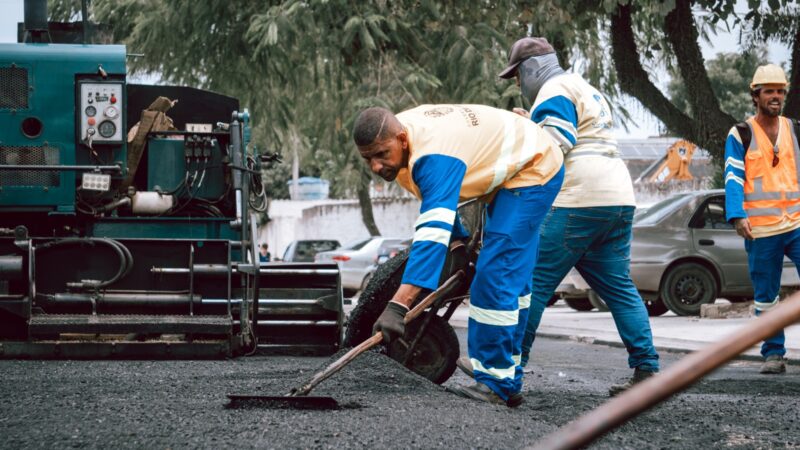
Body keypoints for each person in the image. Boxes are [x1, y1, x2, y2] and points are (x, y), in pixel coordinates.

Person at [476, 36, 660, 396]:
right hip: (618, 197)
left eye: (516, 76)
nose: (517, 84)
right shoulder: (582, 87)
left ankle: (507, 373)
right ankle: (648, 370)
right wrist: (534, 123)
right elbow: (574, 132)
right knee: (619, 287)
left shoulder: (553, 89)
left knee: (532, 283)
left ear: (531, 69)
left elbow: (557, 142)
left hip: (580, 198)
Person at [353, 104, 564, 407]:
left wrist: (398, 306)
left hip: (535, 168)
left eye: (381, 154)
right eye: (367, 158)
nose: (375, 166)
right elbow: (437, 203)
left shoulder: (432, 156)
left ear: (401, 139)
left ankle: (496, 382)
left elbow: (430, 235)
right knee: (510, 276)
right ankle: (506, 370)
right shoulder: (404, 147)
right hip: (516, 166)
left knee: (495, 276)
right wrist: (460, 241)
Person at [724, 63, 799, 374]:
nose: (776, 97)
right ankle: (773, 354)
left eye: (780, 91)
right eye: (770, 91)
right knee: (766, 296)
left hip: (796, 223)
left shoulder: (794, 128)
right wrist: (737, 215)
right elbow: (733, 176)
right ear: (755, 95)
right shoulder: (740, 133)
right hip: (762, 229)